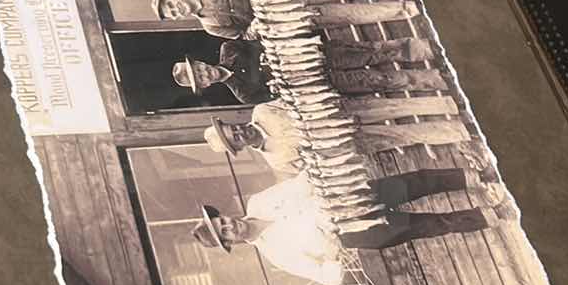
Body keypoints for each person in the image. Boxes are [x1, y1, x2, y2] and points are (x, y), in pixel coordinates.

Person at [191, 169, 494, 285]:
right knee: (432, 225)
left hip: (344, 197)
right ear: (230, 243)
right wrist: (334, 252)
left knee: (415, 183)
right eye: (225, 233)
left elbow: (300, 183)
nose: (230, 225)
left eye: (223, 221)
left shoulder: (259, 202)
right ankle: (490, 214)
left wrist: (317, 175)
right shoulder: (275, 255)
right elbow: (327, 277)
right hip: (355, 233)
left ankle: (475, 176)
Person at [202, 102, 491, 179]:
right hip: (347, 141)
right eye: (235, 140)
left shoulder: (262, 110)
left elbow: (297, 101)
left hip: (338, 111)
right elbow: (312, 166)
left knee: (394, 110)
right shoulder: (275, 160)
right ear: (238, 149)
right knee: (402, 136)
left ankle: (453, 108)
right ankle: (462, 132)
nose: (239, 133)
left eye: (234, 129)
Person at [153, 0, 423, 38]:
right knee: (347, 15)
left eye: (172, 5)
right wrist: (254, 28)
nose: (178, 10)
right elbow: (245, 35)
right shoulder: (211, 26)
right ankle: (405, 10)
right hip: (283, 15)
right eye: (173, 14)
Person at [171, 41, 268, 105]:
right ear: (205, 85)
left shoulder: (229, 48)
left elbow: (263, 40)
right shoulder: (244, 94)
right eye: (201, 78)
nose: (205, 73)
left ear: (200, 62)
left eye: (199, 69)